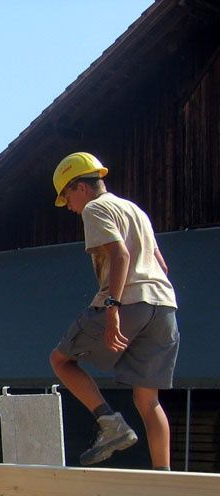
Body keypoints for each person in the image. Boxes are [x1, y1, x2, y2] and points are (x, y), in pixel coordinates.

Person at [49, 152, 179, 469]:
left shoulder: (95, 208)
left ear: (80, 186)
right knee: (148, 401)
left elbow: (120, 255)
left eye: (66, 196)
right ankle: (166, 480)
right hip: (163, 305)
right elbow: (161, 263)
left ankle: (110, 423)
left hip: (128, 301)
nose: (68, 205)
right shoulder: (135, 210)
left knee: (61, 360)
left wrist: (113, 307)